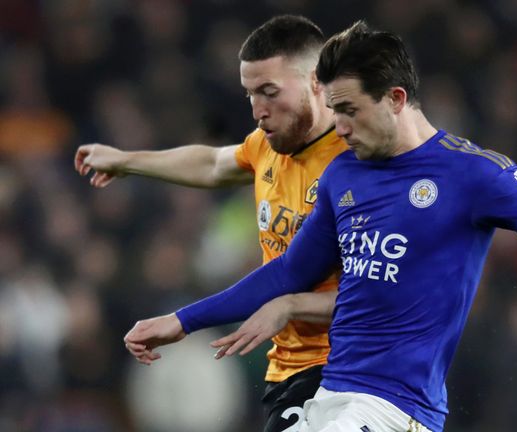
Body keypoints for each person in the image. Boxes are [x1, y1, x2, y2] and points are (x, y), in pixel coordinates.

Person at [124, 22, 517, 432]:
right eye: (332, 110)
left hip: (397, 410)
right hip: (331, 398)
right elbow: (287, 272)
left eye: (348, 110)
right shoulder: (346, 179)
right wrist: (181, 321)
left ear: (395, 99)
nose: (337, 127)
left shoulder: (474, 175)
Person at [74, 15, 348, 432]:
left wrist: (185, 320)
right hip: (286, 369)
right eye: (250, 94)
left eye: (270, 92)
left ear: (315, 80)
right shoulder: (269, 146)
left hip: (348, 367)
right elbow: (215, 162)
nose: (257, 111)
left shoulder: (356, 163)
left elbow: (376, 292)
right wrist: (128, 161)